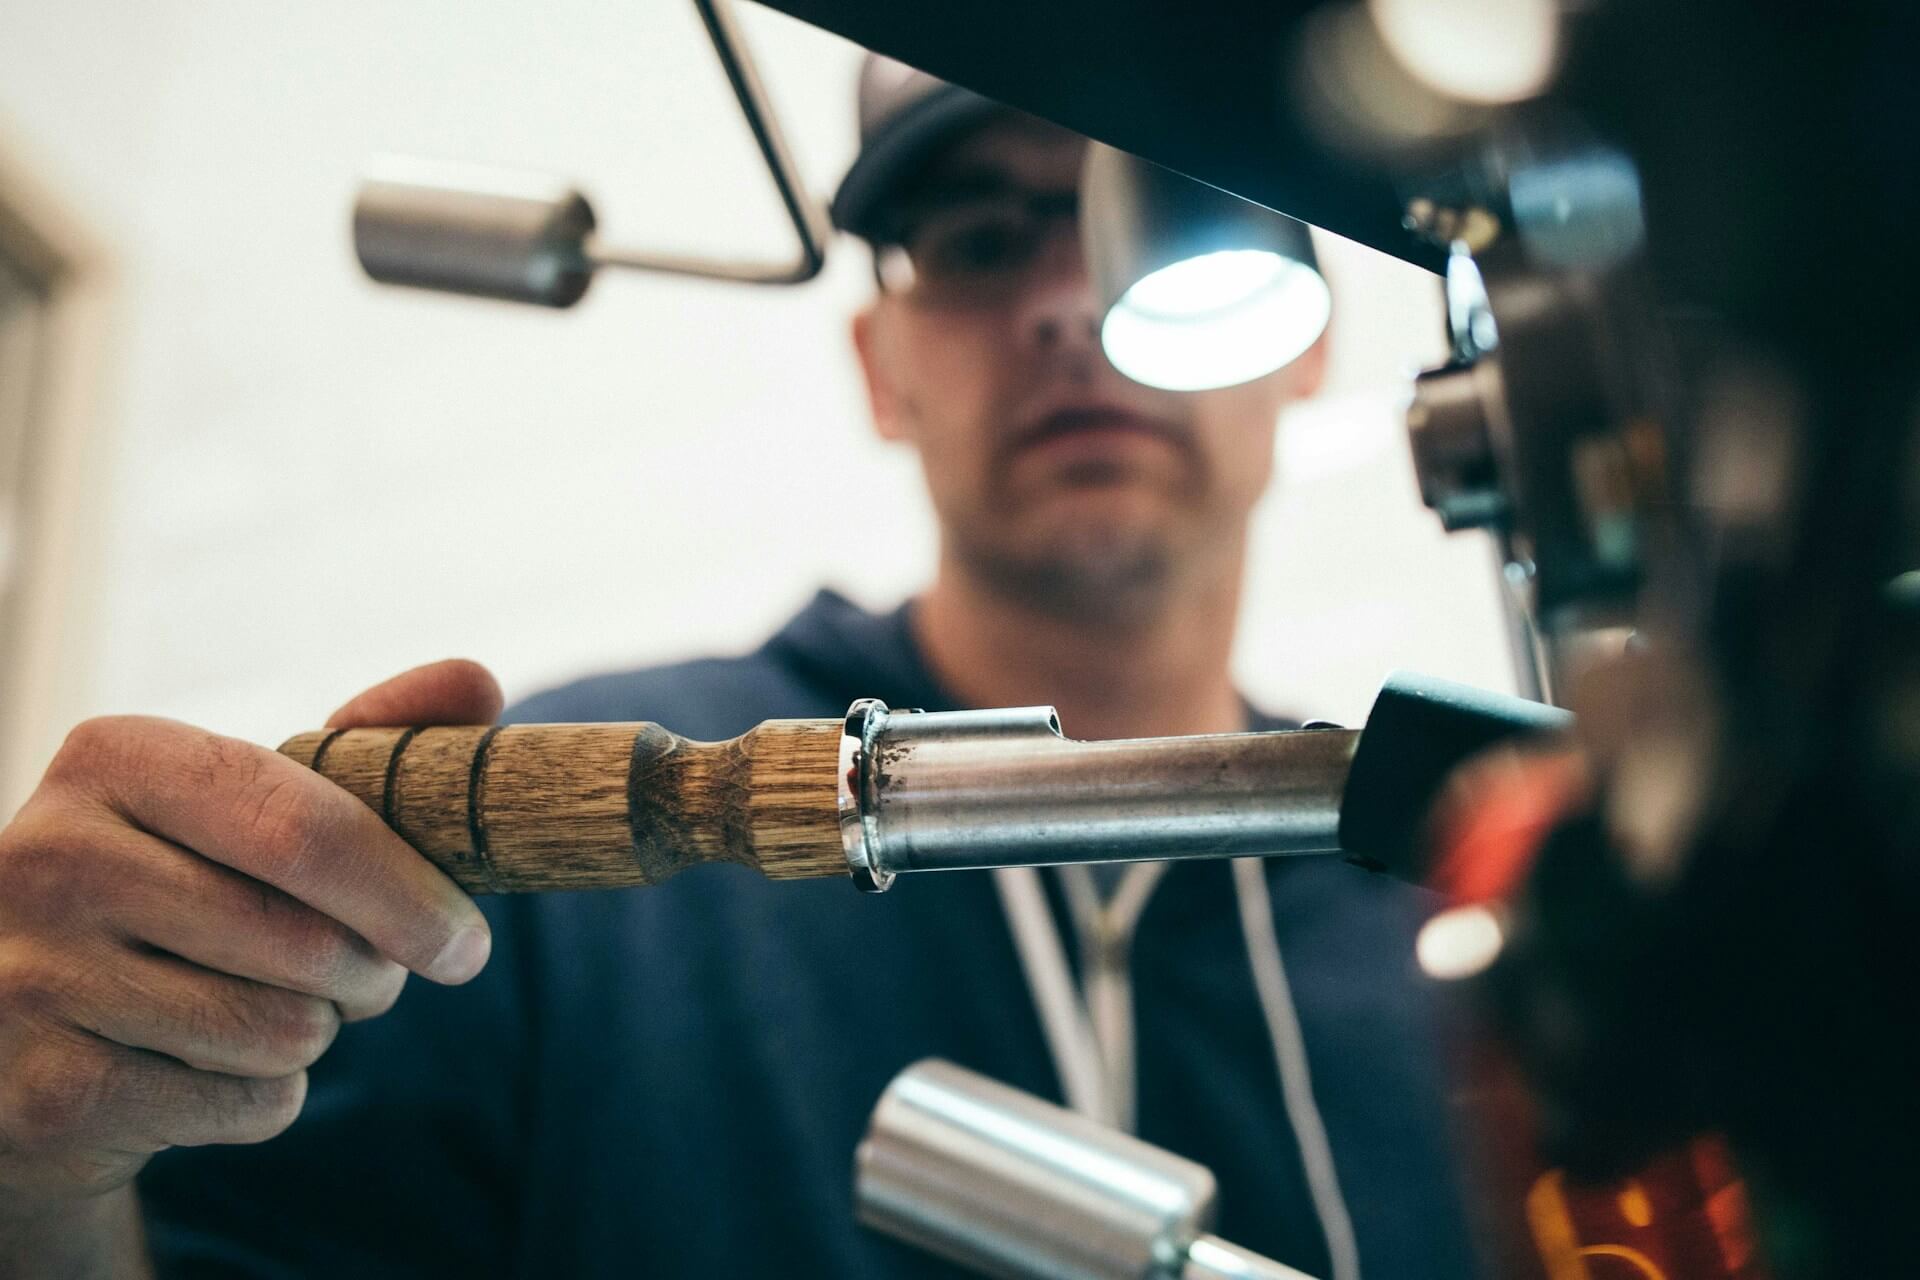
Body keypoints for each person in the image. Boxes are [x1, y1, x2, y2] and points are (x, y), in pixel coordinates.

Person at [0, 57, 1475, 1280]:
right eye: (978, 239)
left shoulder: (1456, 908)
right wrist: (36, 1173)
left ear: (1306, 342)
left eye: (1161, 224)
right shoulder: (550, 862)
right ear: (880, 368)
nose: (1067, 304)